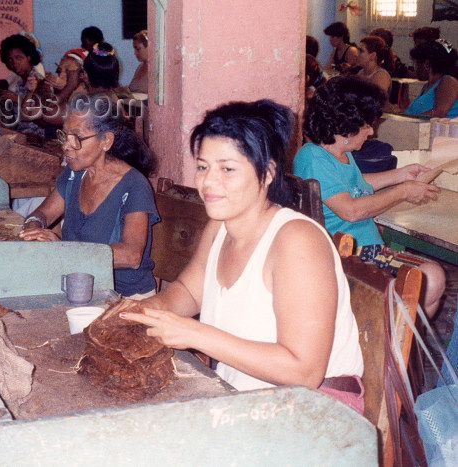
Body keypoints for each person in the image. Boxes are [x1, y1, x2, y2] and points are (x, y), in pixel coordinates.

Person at [121, 99, 365, 413]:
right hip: (247, 397)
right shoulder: (219, 227)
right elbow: (188, 292)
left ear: (266, 174)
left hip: (314, 410)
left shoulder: (296, 241)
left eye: (227, 169)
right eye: (203, 166)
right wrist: (142, 312)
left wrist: (194, 333)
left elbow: (304, 371)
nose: (208, 181)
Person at [294, 76, 446, 317]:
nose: (371, 131)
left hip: (362, 248)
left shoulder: (334, 153)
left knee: (429, 277)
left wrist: (401, 175)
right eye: (366, 125)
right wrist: (403, 191)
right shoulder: (313, 158)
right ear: (346, 124)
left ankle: (396, 345)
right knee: (432, 277)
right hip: (349, 253)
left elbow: (356, 186)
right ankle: (393, 346)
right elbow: (350, 210)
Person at [19, 93, 159, 298]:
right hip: (79, 287)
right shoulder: (74, 174)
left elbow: (132, 256)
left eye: (77, 138)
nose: (66, 145)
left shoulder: (134, 185)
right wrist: (33, 227)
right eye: (65, 136)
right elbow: (43, 214)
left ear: (106, 141)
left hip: (125, 298)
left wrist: (64, 251)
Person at [405, 39, 458, 118]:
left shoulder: (448, 82)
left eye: (416, 63)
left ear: (426, 64)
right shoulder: (427, 86)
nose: (415, 68)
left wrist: (407, 121)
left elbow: (439, 113)